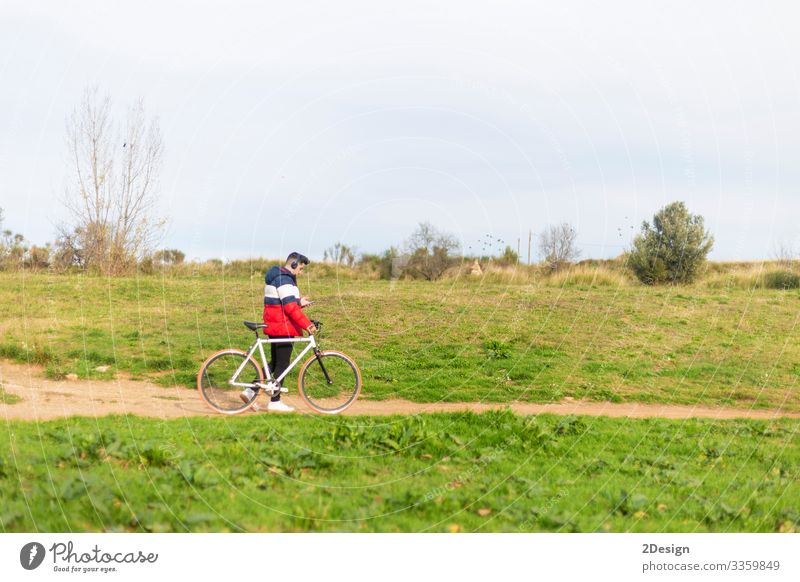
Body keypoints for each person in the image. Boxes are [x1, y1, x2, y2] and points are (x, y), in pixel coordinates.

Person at [240, 252, 317, 412]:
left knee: (275, 363)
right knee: (283, 364)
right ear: (294, 264)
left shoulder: (278, 277)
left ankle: (249, 391)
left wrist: (298, 302)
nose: (300, 273)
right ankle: (275, 402)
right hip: (283, 326)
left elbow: (284, 302)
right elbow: (289, 308)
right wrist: (307, 324)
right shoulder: (285, 280)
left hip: (275, 325)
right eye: (300, 269)